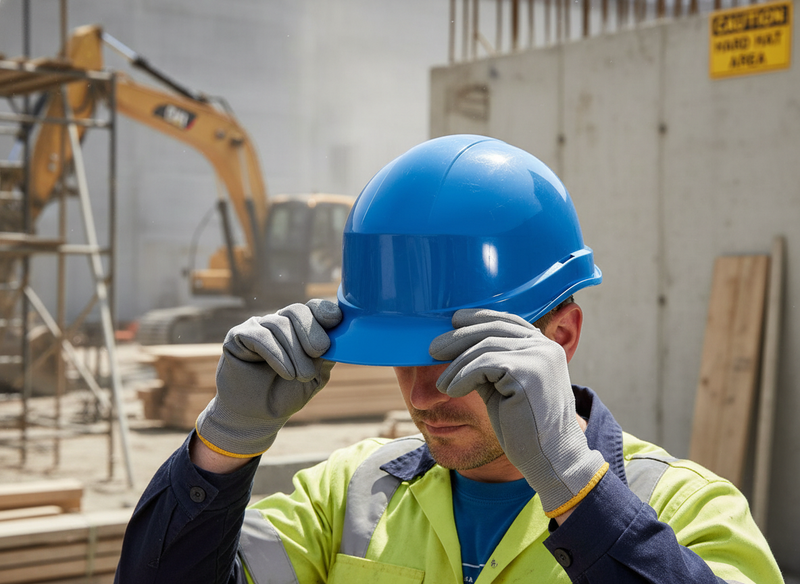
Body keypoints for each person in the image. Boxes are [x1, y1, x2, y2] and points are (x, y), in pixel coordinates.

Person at [116, 135, 782, 583]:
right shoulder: (347, 496)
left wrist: (578, 492)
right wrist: (222, 448)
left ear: (562, 336)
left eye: (461, 358)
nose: (423, 395)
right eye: (400, 356)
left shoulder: (686, 509)